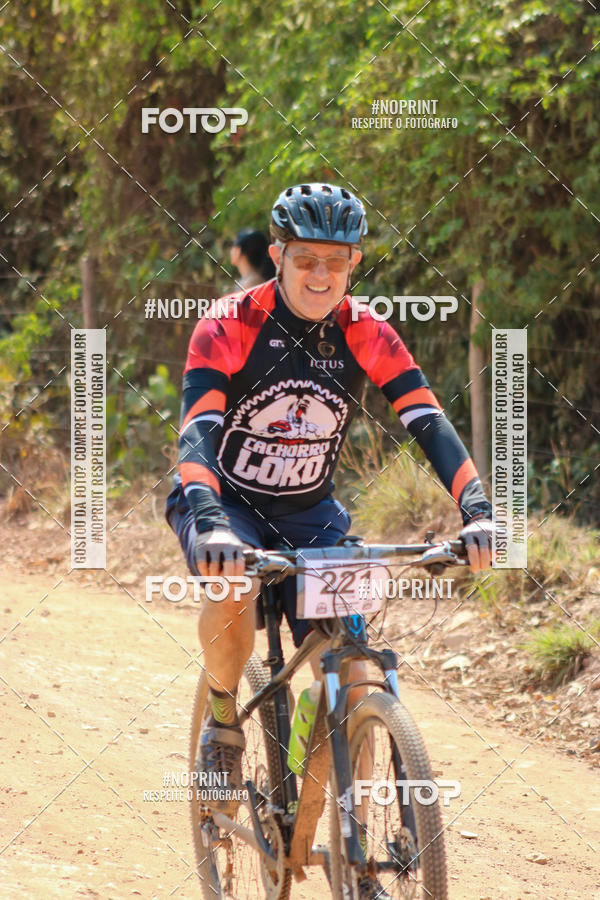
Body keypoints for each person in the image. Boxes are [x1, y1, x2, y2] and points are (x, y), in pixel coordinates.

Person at [165, 183, 494, 898]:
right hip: (225, 503)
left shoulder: (367, 330)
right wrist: (211, 520)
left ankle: (338, 805)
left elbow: (426, 420)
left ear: (355, 265)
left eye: (336, 263)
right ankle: (224, 720)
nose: (320, 275)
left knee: (345, 660)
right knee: (232, 586)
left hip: (311, 514)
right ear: (277, 256)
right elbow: (196, 431)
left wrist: (476, 505)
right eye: (304, 258)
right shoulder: (228, 324)